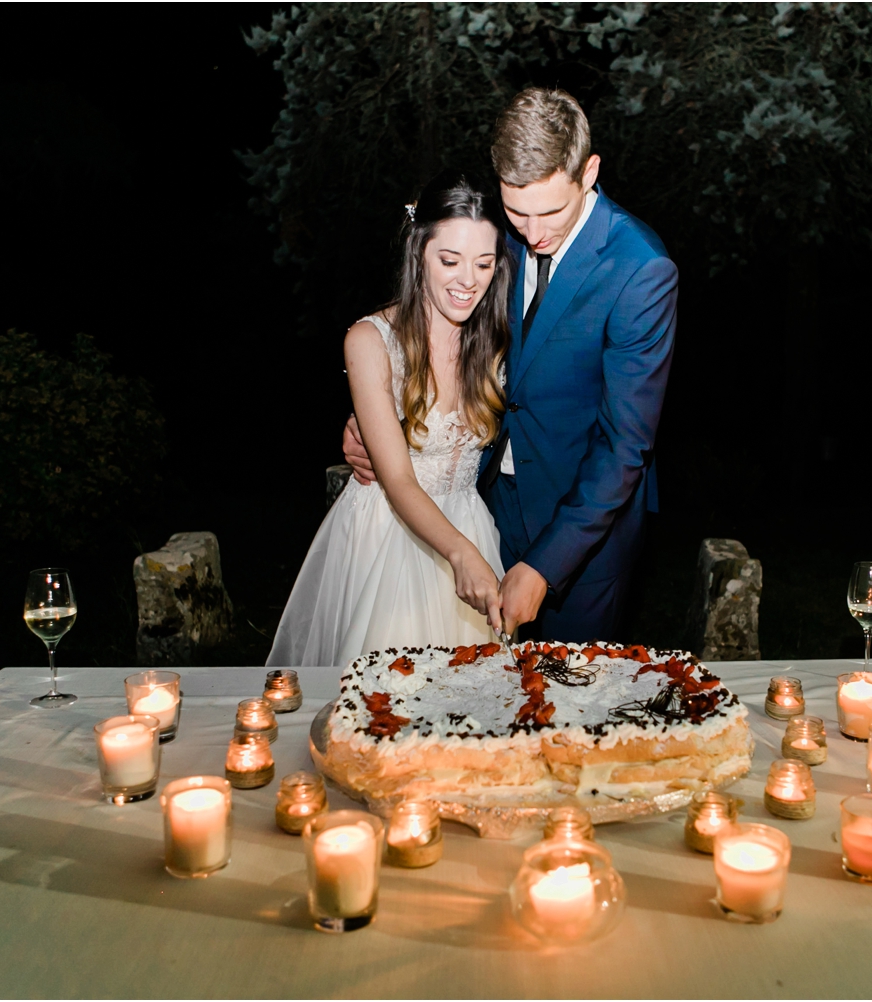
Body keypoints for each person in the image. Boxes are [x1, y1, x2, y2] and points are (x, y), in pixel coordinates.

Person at [345, 87, 677, 642]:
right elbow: (437, 327)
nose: (534, 233)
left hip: (582, 533)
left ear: (588, 172)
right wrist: (377, 415)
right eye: (517, 213)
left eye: (551, 212)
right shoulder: (505, 234)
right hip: (487, 507)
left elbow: (626, 445)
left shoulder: (640, 268)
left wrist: (547, 564)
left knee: (569, 705)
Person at [266, 172, 510, 668]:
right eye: (450, 260)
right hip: (389, 537)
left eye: (484, 264)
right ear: (419, 252)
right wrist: (460, 554)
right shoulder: (370, 340)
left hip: (472, 525)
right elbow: (396, 477)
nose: (468, 280)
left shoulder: (497, 340)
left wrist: (470, 550)